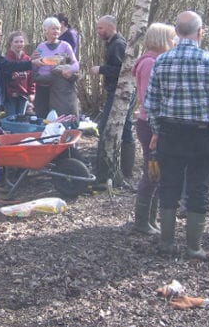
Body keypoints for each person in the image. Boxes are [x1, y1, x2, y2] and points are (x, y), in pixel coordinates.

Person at [144, 11, 209, 260]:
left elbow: (151, 104)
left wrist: (157, 132)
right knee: (198, 188)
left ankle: (167, 244)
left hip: (170, 132)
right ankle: (194, 247)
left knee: (168, 186)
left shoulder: (162, 61)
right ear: (200, 32)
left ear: (177, 32)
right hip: (200, 134)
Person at [131, 23, 176, 234]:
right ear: (161, 40)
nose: (174, 42)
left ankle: (150, 219)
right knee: (152, 171)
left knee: (159, 171)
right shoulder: (150, 63)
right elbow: (149, 100)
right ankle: (141, 221)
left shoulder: (155, 61)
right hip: (150, 124)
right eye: (171, 38)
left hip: (153, 123)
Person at [89, 15, 134, 189]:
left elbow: (122, 70)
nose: (98, 32)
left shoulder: (118, 45)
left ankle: (113, 168)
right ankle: (119, 168)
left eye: (100, 28)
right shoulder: (112, 43)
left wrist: (100, 69)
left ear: (110, 27)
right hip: (117, 92)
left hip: (120, 93)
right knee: (123, 127)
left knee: (110, 127)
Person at [0, 19, 38, 112]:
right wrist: (31, 63)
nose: (0, 34)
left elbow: (0, 71)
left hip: (20, 96)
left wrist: (10, 76)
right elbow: (6, 65)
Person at [33, 17, 79, 119]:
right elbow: (34, 67)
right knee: (41, 116)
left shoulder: (65, 46)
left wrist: (69, 70)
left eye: (58, 29)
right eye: (53, 29)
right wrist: (35, 63)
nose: (56, 31)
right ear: (46, 30)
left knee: (56, 118)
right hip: (42, 86)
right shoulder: (41, 47)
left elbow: (76, 64)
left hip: (58, 88)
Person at [3, 31, 35, 116]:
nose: (19, 44)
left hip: (23, 95)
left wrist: (32, 92)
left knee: (21, 119)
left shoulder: (27, 59)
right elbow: (3, 78)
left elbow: (32, 77)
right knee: (11, 118)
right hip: (10, 96)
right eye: (16, 42)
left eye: (21, 41)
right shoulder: (6, 59)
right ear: (11, 43)